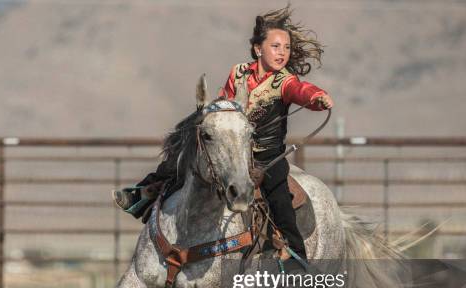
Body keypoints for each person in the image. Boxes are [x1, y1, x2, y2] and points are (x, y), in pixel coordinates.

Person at [113, 6, 333, 261]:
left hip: (265, 156)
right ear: (258, 49)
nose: (282, 52)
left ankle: (295, 253)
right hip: (230, 147)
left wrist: (316, 97)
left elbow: (301, 90)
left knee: (279, 195)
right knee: (184, 158)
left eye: (286, 47)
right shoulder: (238, 72)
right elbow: (226, 102)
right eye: (276, 46)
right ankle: (142, 194)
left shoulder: (284, 81)